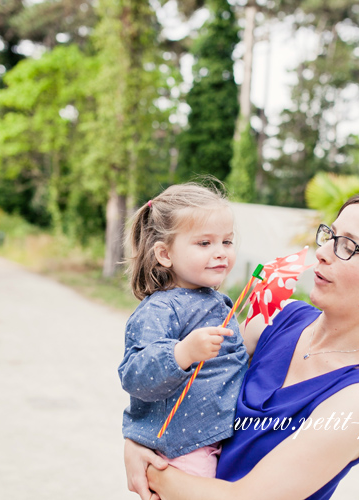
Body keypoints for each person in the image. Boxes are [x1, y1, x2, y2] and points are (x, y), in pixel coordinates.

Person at [124, 193, 359, 500]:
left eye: (349, 246)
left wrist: (148, 467)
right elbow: (178, 382)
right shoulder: (275, 318)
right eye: (330, 235)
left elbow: (243, 499)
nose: (323, 252)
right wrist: (137, 438)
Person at [118, 183, 249, 479]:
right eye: (205, 243)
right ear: (165, 254)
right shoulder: (160, 308)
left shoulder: (216, 300)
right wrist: (182, 353)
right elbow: (135, 375)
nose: (220, 253)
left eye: (226, 242)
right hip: (182, 446)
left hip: (218, 435)